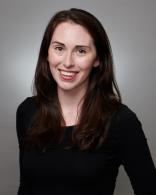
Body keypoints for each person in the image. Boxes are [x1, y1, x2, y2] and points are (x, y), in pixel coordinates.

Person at [16, 8, 156, 195]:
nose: (67, 62)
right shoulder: (28, 110)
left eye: (81, 51)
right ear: (47, 53)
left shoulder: (121, 120)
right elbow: (26, 187)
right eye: (59, 48)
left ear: (97, 59)